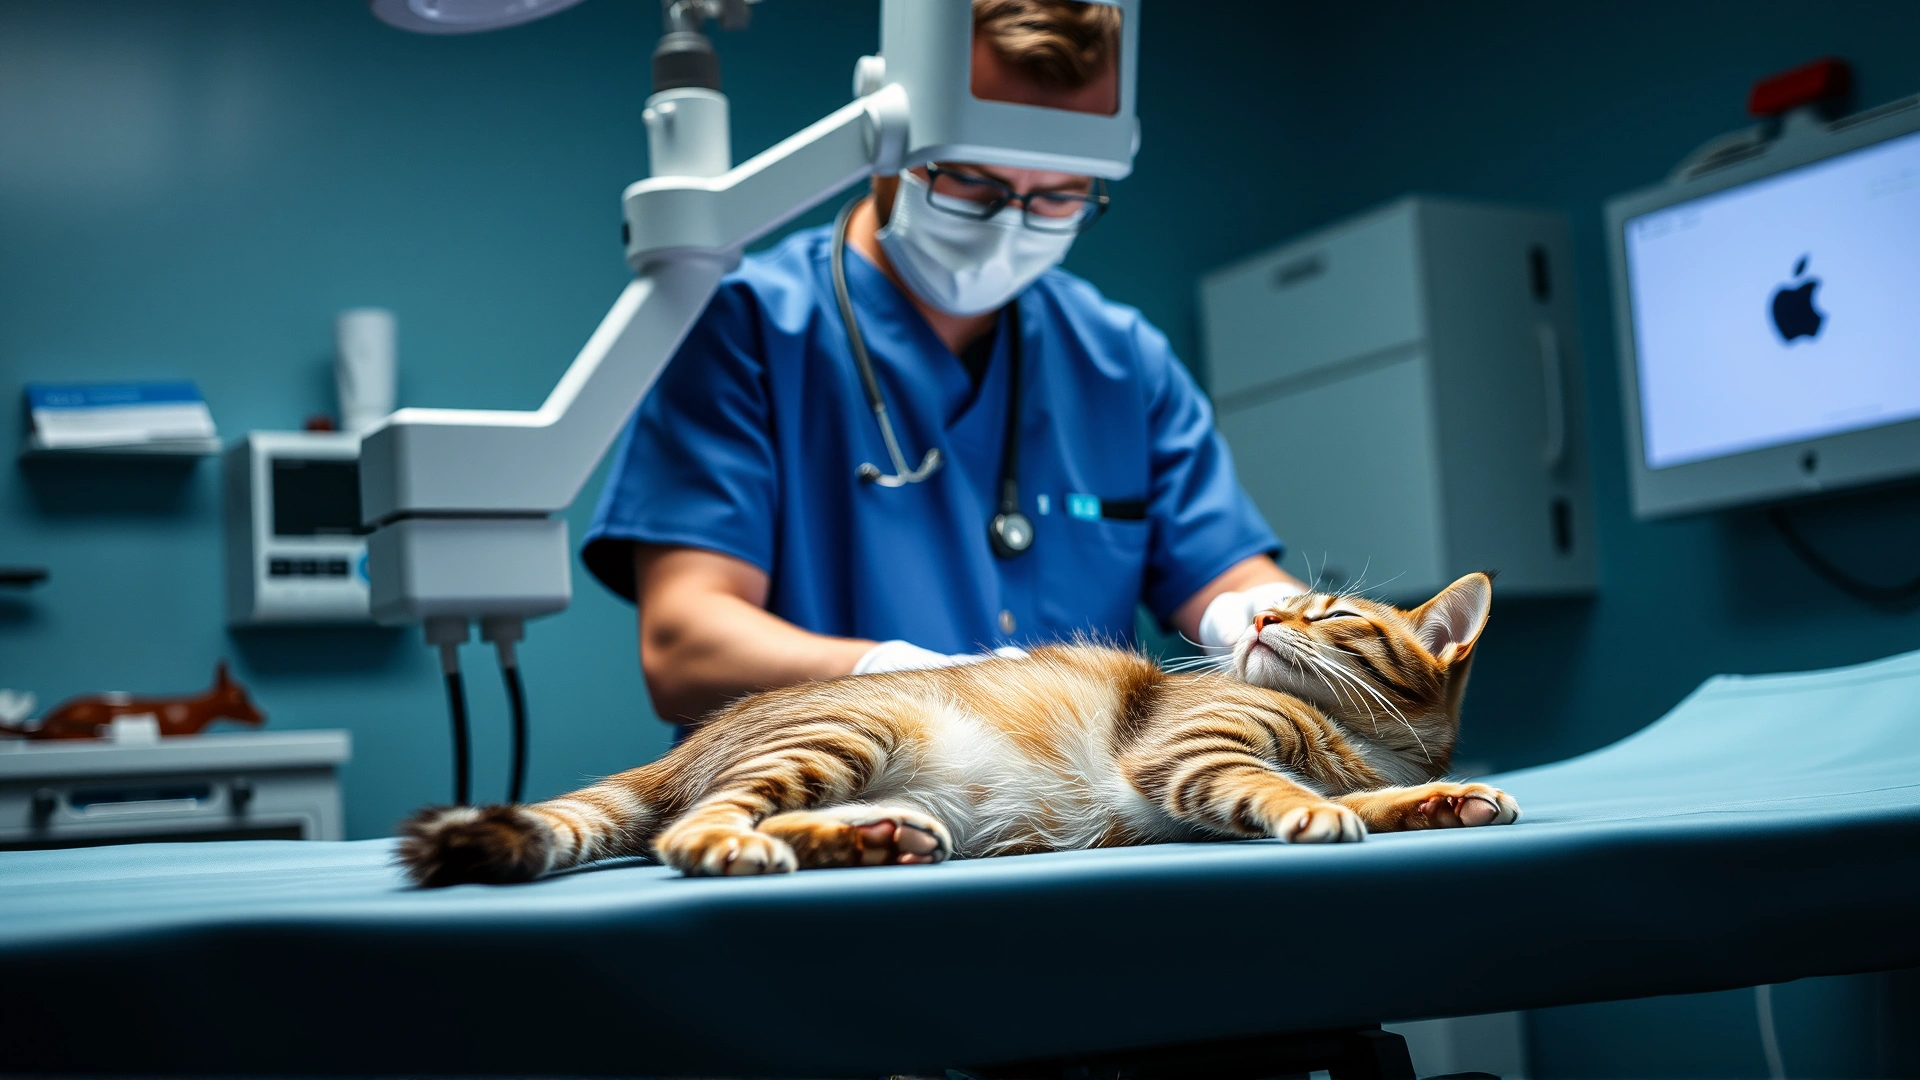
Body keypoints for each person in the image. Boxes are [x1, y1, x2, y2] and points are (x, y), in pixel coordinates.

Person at [582, 0, 1305, 728]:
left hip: (1073, 823)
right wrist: (897, 679)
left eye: (1058, 195)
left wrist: (1272, 618)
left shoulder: (1123, 362)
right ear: (884, 139)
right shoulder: (747, 330)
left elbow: (1229, 575)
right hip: (824, 809)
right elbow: (685, 647)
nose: (1009, 227)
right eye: (972, 183)